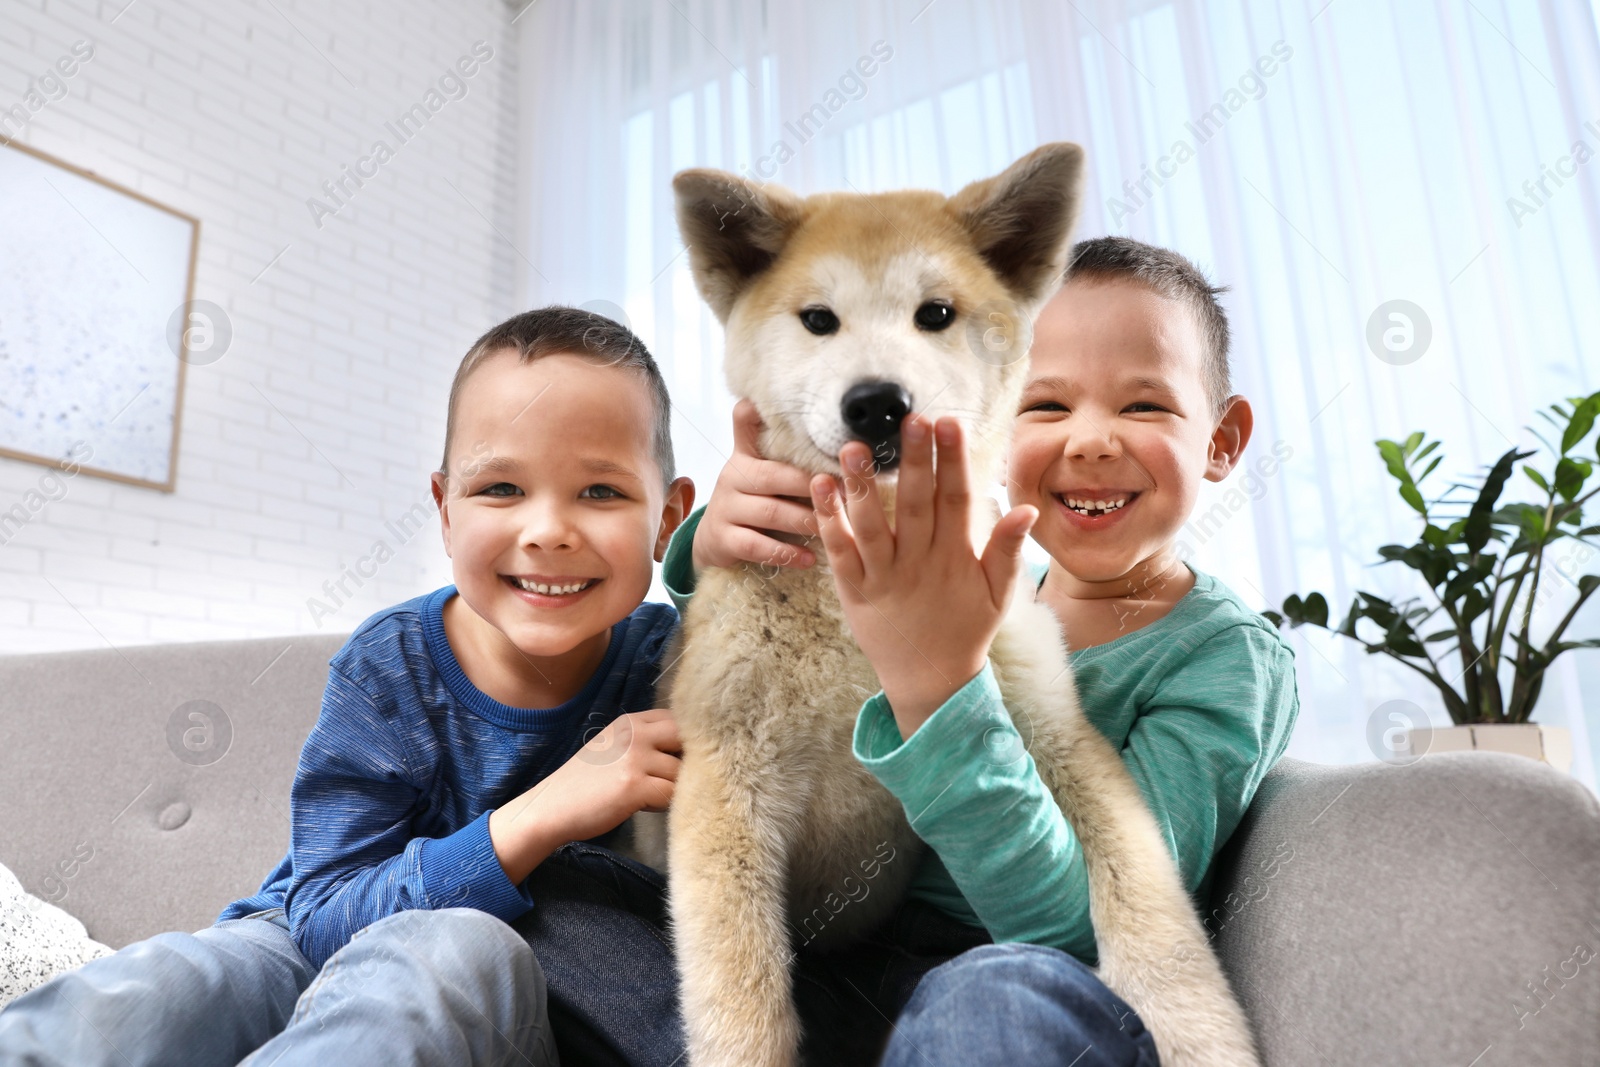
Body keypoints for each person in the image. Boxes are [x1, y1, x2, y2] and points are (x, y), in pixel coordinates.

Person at [0, 306, 695, 1066]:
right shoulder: (388, 666)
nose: (548, 529)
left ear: (668, 519)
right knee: (172, 981)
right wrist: (540, 814)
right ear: (445, 510)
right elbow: (324, 914)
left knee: (445, 953)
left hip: (478, 984)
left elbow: (796, 681)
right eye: (500, 487)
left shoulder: (671, 660)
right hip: (304, 934)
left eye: (600, 492)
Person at [665, 235, 1301, 1065]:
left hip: (1029, 974)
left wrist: (941, 685)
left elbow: (1086, 924)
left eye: (1143, 406)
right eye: (1046, 405)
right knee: (590, 915)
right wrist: (713, 544)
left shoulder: (1223, 656)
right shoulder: (964, 574)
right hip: (854, 962)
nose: (1091, 440)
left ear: (1222, 438)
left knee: (989, 1000)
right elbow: (777, 654)